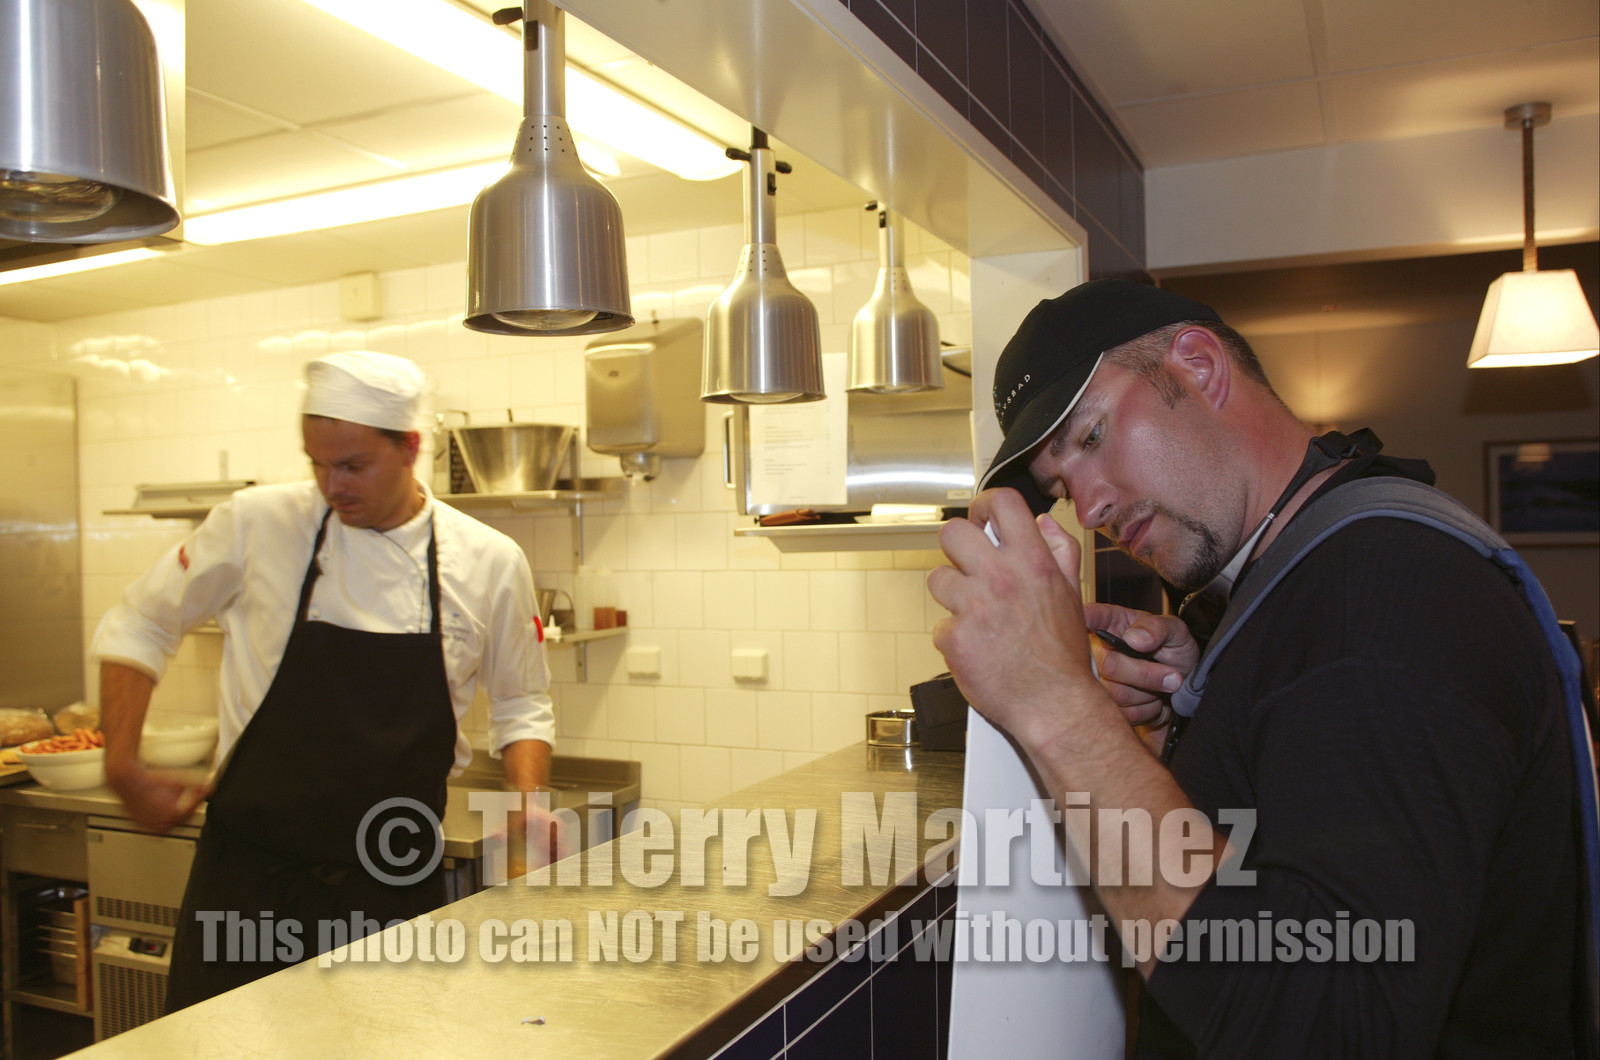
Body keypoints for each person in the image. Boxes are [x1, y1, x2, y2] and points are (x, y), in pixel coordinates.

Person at [929, 280, 1581, 1056]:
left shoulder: (1382, 592)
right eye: (1062, 487)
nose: (1089, 508)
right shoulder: (1305, 579)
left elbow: (1329, 1025)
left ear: (1200, 367)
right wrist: (1210, 716)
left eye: (1093, 437)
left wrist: (1059, 708)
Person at [92, 350, 558, 1010]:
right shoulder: (258, 524)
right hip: (249, 881)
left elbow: (521, 702)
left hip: (391, 886)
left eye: (352, 465)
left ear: (410, 449)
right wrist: (121, 759)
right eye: (317, 463)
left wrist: (527, 803)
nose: (331, 485)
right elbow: (139, 623)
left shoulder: (489, 562)